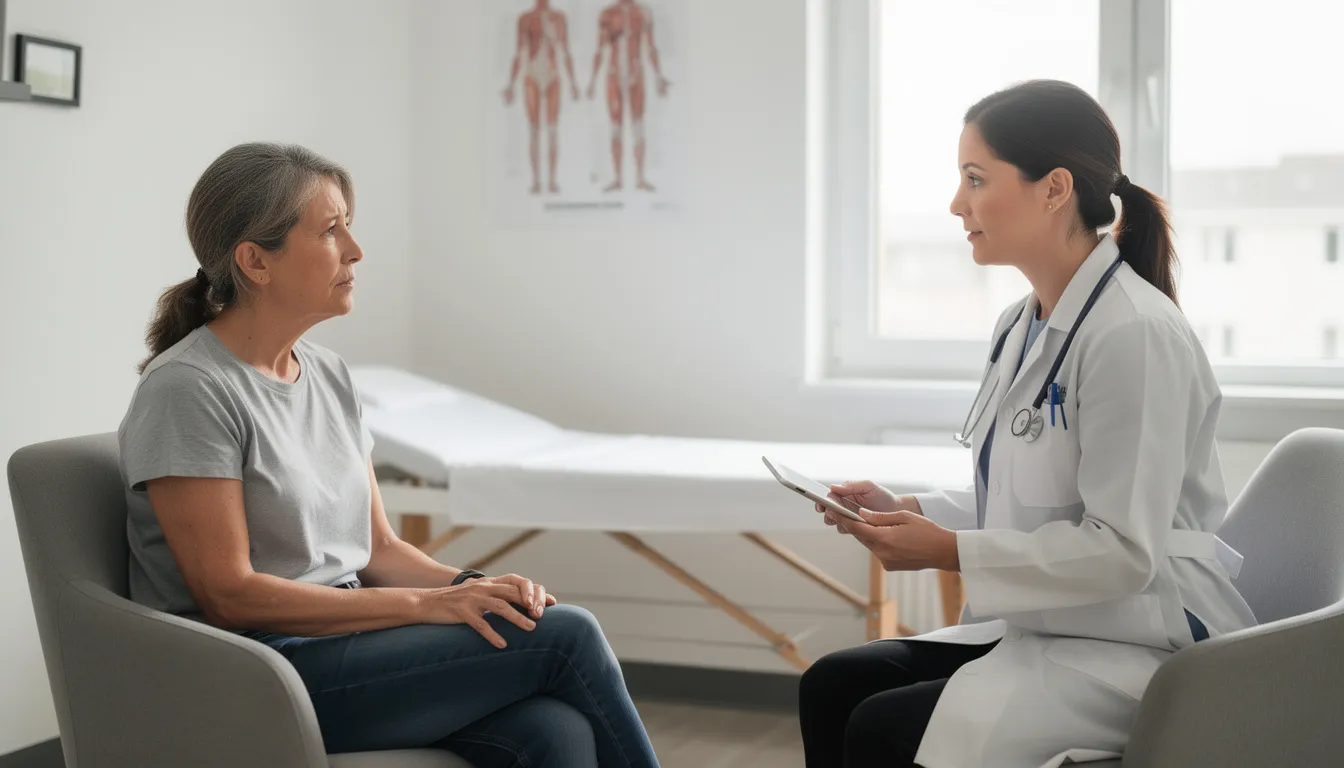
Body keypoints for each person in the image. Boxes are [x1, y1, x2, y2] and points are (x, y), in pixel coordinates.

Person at [118, 142, 661, 768]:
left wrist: (473, 586)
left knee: (553, 730)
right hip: (255, 669)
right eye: (330, 230)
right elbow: (229, 596)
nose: (355, 249)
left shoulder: (327, 374)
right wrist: (428, 606)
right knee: (568, 636)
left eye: (349, 224)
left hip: (344, 642)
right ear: (255, 261)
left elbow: (378, 553)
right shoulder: (188, 389)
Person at [797, 80, 1257, 768]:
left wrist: (948, 550)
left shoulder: (1132, 333)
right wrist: (912, 512)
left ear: (1054, 189)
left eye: (976, 179)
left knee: (881, 728)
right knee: (831, 686)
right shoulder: (1021, 324)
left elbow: (1123, 552)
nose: (958, 205)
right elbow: (1027, 500)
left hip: (1143, 636)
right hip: (1060, 621)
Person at [586, 0, 670, 192]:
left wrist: (658, 76)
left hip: (636, 74)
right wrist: (592, 80)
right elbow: (600, 48)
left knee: (638, 126)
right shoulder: (607, 13)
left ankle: (640, 178)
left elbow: (651, 47)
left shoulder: (643, 13)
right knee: (616, 127)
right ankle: (617, 179)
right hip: (614, 75)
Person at [503, 0, 580, 195]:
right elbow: (519, 52)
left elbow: (565, 51)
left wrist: (573, 83)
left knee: (553, 129)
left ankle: (552, 180)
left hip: (553, 75)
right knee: (534, 130)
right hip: (532, 75)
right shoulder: (526, 19)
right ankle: (536, 181)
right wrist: (510, 84)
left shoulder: (560, 18)